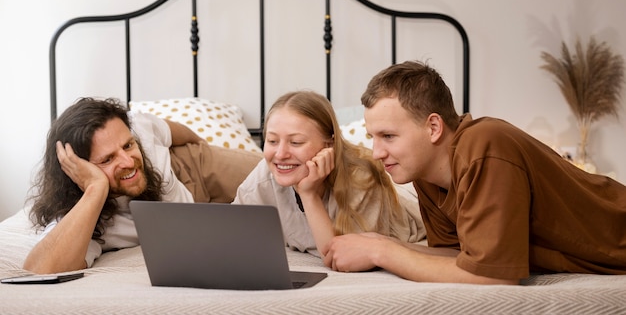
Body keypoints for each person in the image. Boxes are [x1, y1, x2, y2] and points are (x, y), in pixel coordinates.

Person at [323, 60, 626, 285]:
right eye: (373, 137)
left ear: (433, 127)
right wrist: (382, 243)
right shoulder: (425, 175)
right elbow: (459, 256)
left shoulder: (485, 145)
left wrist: (380, 253)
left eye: (388, 136)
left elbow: (493, 278)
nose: (377, 153)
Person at [24, 97, 262, 274]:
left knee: (279, 173)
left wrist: (207, 152)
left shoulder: (137, 126)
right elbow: (38, 270)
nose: (128, 162)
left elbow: (178, 132)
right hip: (191, 216)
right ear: (78, 172)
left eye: (128, 146)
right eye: (107, 159)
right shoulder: (80, 216)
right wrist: (96, 189)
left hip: (193, 167)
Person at [232, 90, 425, 258]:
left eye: (296, 142)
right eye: (272, 141)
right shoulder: (265, 174)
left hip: (409, 202)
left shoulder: (361, 178)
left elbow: (337, 257)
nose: (281, 154)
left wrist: (309, 194)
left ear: (329, 144)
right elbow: (228, 233)